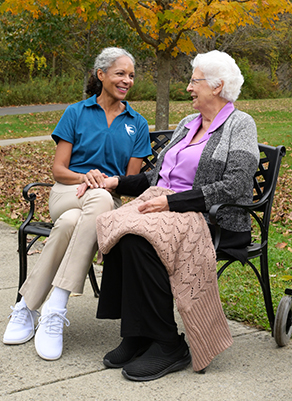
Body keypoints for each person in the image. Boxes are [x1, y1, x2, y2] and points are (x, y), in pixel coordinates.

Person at [94, 50, 260, 382]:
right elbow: (156, 177)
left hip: (214, 218)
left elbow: (236, 184)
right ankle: (137, 334)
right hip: (167, 207)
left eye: (194, 81)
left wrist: (174, 203)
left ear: (217, 86)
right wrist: (117, 182)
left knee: (142, 240)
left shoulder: (240, 124)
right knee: (118, 226)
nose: (188, 88)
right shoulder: (187, 124)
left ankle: (169, 343)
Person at [3, 47, 152, 361]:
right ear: (101, 75)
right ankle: (55, 307)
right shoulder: (76, 112)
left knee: (72, 223)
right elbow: (58, 169)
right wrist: (88, 177)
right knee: (88, 200)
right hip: (66, 191)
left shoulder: (137, 123)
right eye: (120, 73)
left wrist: (104, 183)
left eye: (131, 75)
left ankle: (29, 307)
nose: (127, 80)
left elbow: (129, 181)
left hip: (107, 200)